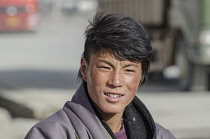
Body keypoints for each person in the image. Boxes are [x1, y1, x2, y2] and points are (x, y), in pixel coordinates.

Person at [25, 13, 176, 139]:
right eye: (105, 67)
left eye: (128, 70)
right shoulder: (51, 134)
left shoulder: (159, 135)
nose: (116, 81)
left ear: (142, 75)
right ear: (84, 69)